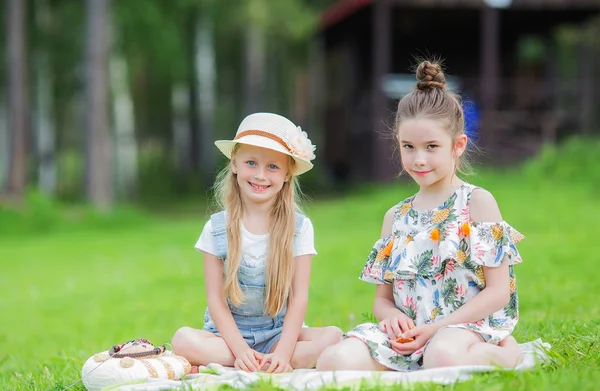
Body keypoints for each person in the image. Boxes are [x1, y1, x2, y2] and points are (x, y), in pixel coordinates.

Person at [316, 61, 525, 372]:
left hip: (464, 329)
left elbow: (498, 292)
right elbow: (382, 301)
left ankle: (508, 352)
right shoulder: (395, 217)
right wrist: (393, 319)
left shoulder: (477, 203)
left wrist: (437, 328)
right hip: (411, 335)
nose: (419, 159)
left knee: (440, 357)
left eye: (431, 147)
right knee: (334, 361)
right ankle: (411, 356)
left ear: (458, 146)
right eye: (408, 147)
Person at [172, 112, 342, 374]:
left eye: (272, 166)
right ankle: (248, 360)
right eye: (251, 162)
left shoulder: (299, 228)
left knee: (333, 336)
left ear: (287, 174)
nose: (261, 175)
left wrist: (285, 352)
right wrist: (240, 350)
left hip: (278, 335)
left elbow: (299, 298)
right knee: (182, 339)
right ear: (235, 164)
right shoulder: (217, 229)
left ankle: (267, 360)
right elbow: (216, 300)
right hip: (227, 338)